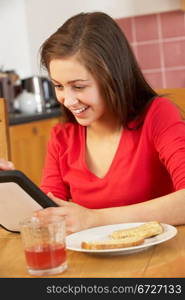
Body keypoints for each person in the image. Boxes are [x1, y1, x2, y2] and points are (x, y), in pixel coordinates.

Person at [1, 12, 185, 234]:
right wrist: (13, 191)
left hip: (156, 262)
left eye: (78, 86)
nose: (67, 101)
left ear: (112, 77)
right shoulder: (62, 137)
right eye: (58, 86)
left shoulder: (157, 115)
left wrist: (94, 218)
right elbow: (50, 215)